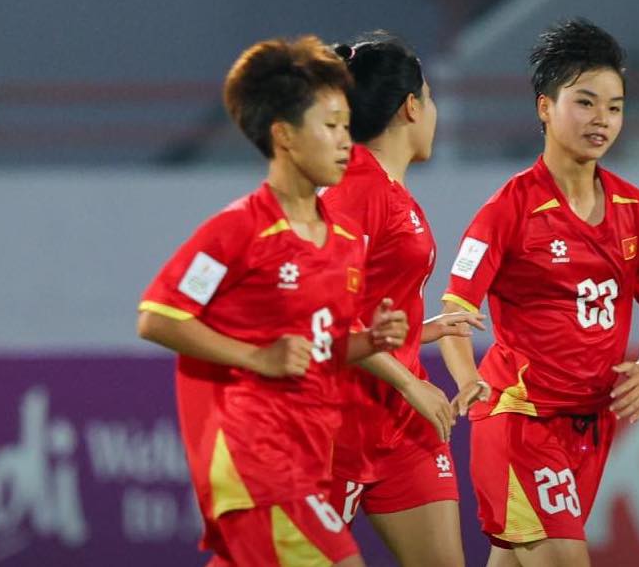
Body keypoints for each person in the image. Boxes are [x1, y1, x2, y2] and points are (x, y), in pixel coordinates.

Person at [136, 36, 433, 567]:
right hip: (257, 462)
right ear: (285, 137)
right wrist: (257, 356)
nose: (346, 142)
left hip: (308, 458)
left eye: (346, 126)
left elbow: (320, 347)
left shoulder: (340, 238)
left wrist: (371, 339)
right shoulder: (238, 230)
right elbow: (159, 316)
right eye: (330, 127)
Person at [437, 19, 639, 567]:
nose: (602, 120)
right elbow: (455, 311)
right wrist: (468, 381)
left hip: (590, 427)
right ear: (545, 108)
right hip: (521, 421)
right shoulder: (507, 210)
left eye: (615, 107)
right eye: (586, 103)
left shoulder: (635, 208)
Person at [321, 32, 484, 567]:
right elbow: (326, 317)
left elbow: (372, 301)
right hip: (335, 429)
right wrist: (413, 382)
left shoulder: (390, 191)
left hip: (402, 428)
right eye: (431, 98)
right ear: (411, 107)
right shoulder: (352, 190)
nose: (434, 111)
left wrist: (426, 329)